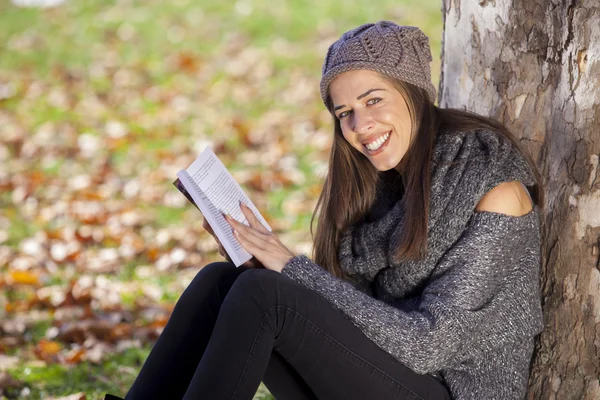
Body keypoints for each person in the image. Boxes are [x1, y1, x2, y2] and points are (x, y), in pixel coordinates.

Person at [110, 20, 544, 400]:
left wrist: (291, 267)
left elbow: (427, 345)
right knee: (224, 282)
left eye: (374, 100)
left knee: (265, 294)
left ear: (414, 92)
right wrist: (262, 257)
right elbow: (349, 310)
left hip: (448, 389)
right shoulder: (379, 180)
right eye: (345, 113)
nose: (360, 126)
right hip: (383, 376)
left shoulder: (496, 190)